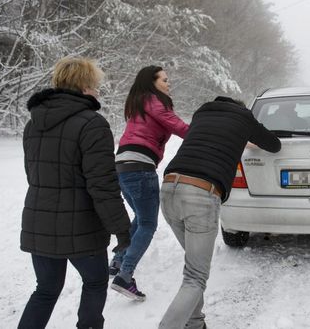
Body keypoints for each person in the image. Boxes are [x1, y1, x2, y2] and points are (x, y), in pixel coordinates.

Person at [18, 57, 131, 329]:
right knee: (94, 282)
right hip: (82, 226)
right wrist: (122, 228)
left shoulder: (33, 124)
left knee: (45, 290)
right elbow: (102, 184)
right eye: (95, 84)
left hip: (40, 223)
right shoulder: (92, 124)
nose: (98, 90)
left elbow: (33, 174)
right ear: (84, 85)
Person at [159, 96, 281, 329]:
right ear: (240, 107)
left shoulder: (201, 113)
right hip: (200, 194)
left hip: (168, 190)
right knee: (196, 276)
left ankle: (195, 323)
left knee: (192, 267)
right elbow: (274, 144)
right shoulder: (244, 117)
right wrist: (246, 137)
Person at [109, 65, 190, 301]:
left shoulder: (139, 101)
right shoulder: (154, 101)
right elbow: (178, 127)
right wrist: (207, 133)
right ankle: (125, 275)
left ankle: (118, 260)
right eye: (164, 79)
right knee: (147, 223)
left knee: (140, 217)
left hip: (123, 166)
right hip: (140, 167)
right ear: (151, 82)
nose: (168, 83)